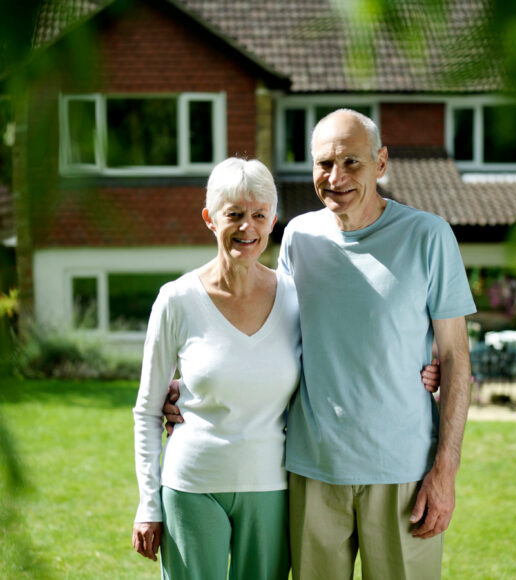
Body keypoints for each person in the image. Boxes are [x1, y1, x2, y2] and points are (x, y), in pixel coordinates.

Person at [164, 108, 465, 580]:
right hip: (311, 471)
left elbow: (455, 357)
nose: (335, 176)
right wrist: (197, 384)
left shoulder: (428, 236)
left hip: (403, 472)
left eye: (352, 162)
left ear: (381, 163)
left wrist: (445, 472)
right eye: (324, 163)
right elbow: (271, 333)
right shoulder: (298, 238)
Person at [132, 157, 302, 580]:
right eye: (235, 215)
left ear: (273, 220)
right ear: (210, 219)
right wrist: (148, 503)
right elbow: (148, 410)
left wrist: (426, 364)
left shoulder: (297, 299)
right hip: (192, 485)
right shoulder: (176, 299)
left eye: (259, 215)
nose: (248, 227)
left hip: (271, 487)